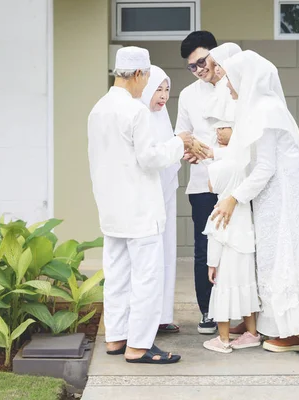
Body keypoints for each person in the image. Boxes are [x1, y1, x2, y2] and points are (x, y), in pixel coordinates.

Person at [87, 46, 193, 364]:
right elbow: (150, 159)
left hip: (111, 209)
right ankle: (139, 346)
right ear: (137, 74)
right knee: (147, 277)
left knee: (117, 275)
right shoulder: (135, 111)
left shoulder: (98, 109)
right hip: (139, 210)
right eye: (147, 78)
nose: (147, 85)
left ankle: (117, 338)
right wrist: (180, 143)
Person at [213, 50, 299, 353]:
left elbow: (266, 166)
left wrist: (233, 197)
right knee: (274, 257)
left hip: (285, 195)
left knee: (286, 259)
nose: (228, 86)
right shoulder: (261, 108)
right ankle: (284, 327)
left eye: (230, 79)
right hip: (274, 194)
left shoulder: (267, 111)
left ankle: (298, 332)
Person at [175, 31, 228, 335]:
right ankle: (208, 311)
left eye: (201, 61)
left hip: (235, 181)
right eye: (191, 66)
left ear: (215, 54)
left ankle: (244, 311)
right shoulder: (188, 95)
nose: (198, 69)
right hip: (202, 183)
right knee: (204, 248)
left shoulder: (236, 85)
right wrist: (188, 147)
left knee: (240, 245)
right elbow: (181, 134)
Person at [202, 138, 261, 354]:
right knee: (246, 293)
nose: (208, 183)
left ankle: (224, 339)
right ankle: (252, 334)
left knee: (223, 296)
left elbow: (215, 240)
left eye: (210, 179)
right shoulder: (244, 205)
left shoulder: (220, 209)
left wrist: (211, 265)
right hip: (245, 259)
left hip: (226, 263)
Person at [139, 65, 181, 334]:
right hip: (146, 199)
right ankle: (145, 321)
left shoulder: (162, 116)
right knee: (148, 260)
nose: (163, 96)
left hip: (166, 196)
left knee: (167, 254)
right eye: (158, 89)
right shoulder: (139, 117)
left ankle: (163, 315)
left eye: (166, 90)